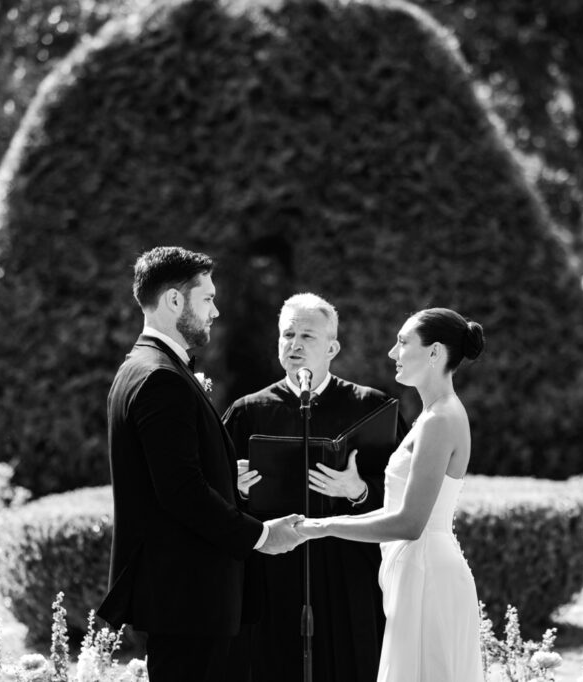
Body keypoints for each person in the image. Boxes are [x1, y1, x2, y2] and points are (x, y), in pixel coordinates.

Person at [97, 246, 303, 682]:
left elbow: (166, 477)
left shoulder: (140, 368)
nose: (215, 311)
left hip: (184, 597)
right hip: (190, 597)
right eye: (207, 298)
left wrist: (225, 477)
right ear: (174, 300)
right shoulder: (161, 378)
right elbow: (181, 492)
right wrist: (263, 535)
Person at [223, 293, 406, 682]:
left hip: (347, 568)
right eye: (288, 335)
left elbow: (405, 493)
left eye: (307, 335)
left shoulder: (371, 407)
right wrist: (236, 488)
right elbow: (210, 496)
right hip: (273, 570)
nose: (295, 344)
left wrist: (359, 490)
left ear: (332, 348)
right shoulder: (247, 411)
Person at [296, 307, 487, 682]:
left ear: (434, 352)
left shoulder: (439, 420)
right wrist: (319, 524)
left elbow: (409, 523)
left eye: (402, 343)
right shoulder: (432, 415)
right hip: (417, 571)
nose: (392, 353)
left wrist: (323, 528)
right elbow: (396, 509)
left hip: (428, 575)